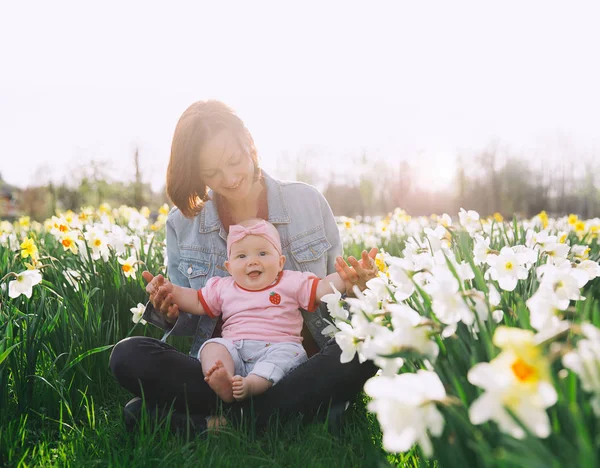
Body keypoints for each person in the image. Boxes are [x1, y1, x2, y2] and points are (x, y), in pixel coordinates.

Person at [109, 99, 379, 433]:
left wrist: (356, 285)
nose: (230, 178)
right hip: (223, 369)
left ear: (248, 142)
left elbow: (331, 294)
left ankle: (220, 425)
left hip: (296, 365)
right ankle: (286, 416)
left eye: (234, 161)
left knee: (368, 343)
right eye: (212, 173)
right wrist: (169, 309)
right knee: (127, 355)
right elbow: (194, 313)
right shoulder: (183, 223)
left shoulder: (307, 203)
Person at [146, 218, 363, 403]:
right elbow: (196, 301)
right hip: (235, 349)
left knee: (289, 355)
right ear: (229, 267)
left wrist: (348, 276)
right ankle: (222, 376)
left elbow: (323, 287)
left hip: (278, 347)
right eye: (242, 256)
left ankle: (250, 386)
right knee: (212, 346)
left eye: (262, 253)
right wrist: (171, 290)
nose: (252, 261)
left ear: (280, 263)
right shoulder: (222, 287)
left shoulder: (291, 282)